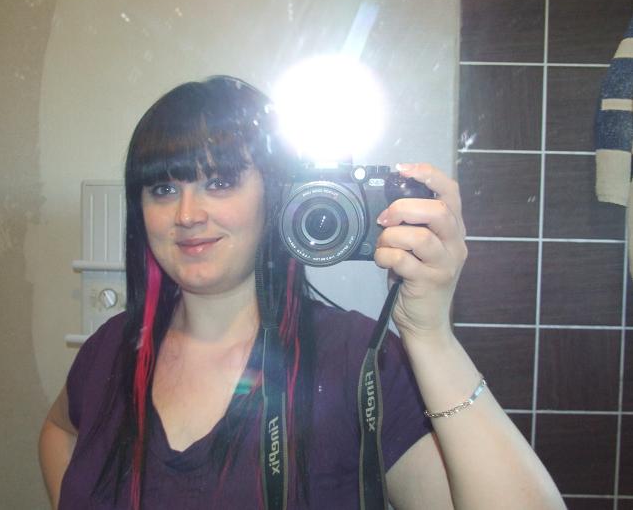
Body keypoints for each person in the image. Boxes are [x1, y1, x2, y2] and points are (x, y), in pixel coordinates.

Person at [38, 75, 566, 509]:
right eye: (162, 189)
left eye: (219, 182)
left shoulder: (357, 363)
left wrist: (430, 336)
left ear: (277, 195)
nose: (187, 214)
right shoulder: (111, 348)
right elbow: (58, 431)